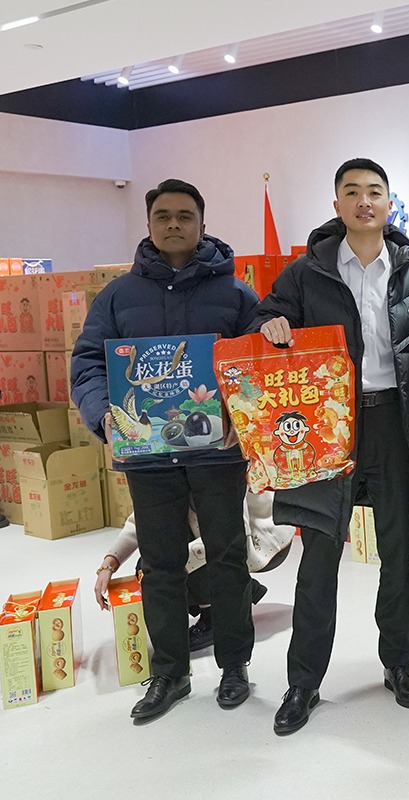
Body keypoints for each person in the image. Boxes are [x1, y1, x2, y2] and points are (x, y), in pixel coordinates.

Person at [70, 178, 261, 722]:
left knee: (228, 557)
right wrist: (103, 416)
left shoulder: (236, 294)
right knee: (159, 565)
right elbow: (87, 364)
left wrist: (242, 414)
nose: (174, 224)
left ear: (202, 223)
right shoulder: (118, 297)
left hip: (218, 453)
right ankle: (170, 672)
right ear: (149, 223)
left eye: (184, 216)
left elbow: (256, 364)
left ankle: (234, 665)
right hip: (149, 456)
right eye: (163, 216)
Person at [257, 158, 409, 735]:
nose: (364, 201)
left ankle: (399, 665)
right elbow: (267, 316)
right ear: (336, 205)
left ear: (389, 204)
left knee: (397, 554)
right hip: (326, 424)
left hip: (392, 424)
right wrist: (272, 325)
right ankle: (303, 683)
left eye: (374, 192)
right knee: (320, 556)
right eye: (352, 192)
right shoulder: (306, 272)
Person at [94, 491, 294, 651]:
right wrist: (110, 562)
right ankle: (239, 588)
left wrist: (170, 568)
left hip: (261, 539)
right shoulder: (170, 466)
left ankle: (212, 618)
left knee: (163, 565)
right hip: (213, 533)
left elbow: (230, 536)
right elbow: (145, 518)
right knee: (154, 558)